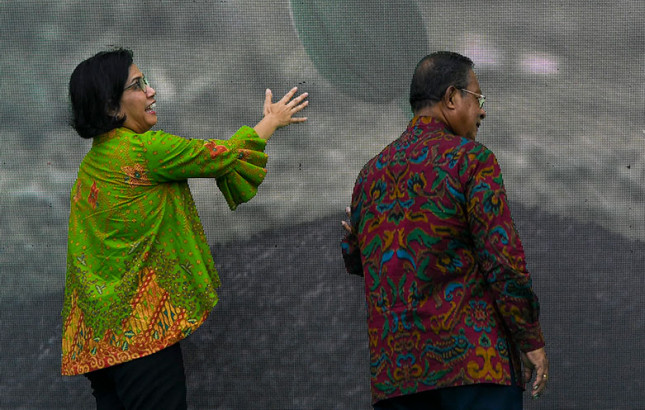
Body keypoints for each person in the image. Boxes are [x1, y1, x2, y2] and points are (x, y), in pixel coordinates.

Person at [61, 48, 309, 409]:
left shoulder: (90, 169)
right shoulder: (146, 151)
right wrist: (270, 121)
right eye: (137, 85)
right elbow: (222, 155)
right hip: (142, 340)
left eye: (145, 81)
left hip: (100, 349)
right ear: (112, 108)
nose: (151, 91)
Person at [342, 51, 548, 409]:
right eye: (477, 99)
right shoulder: (472, 160)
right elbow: (502, 261)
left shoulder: (370, 175)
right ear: (452, 98)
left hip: (397, 378)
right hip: (473, 371)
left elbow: (359, 259)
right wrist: (529, 338)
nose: (482, 111)